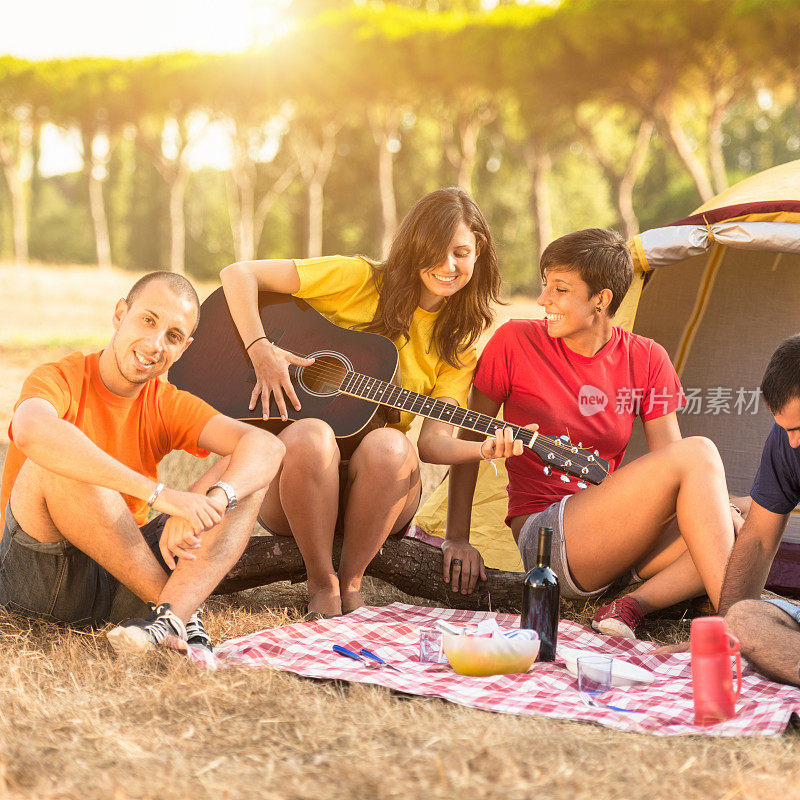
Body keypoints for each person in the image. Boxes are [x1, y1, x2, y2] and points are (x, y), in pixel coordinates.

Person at [220, 187, 519, 619]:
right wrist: (260, 348)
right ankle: (321, 583)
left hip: (380, 493)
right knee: (311, 434)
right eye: (435, 250)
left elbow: (433, 444)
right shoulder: (360, 279)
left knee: (390, 444)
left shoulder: (458, 342)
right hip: (296, 485)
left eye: (460, 253)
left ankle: (352, 581)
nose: (447, 265)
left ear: (479, 254)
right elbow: (238, 273)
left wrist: (482, 448)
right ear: (413, 244)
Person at [445, 228, 739, 637]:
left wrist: (725, 503)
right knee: (701, 453)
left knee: (736, 522)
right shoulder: (515, 341)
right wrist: (456, 537)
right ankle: (741, 630)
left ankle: (629, 607)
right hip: (548, 540)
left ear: (601, 300)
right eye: (545, 284)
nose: (544, 299)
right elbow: (468, 437)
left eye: (560, 289)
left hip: (617, 535)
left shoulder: (646, 357)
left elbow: (674, 471)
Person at [0, 272, 285, 653]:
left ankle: (166, 620)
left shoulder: (165, 402)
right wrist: (160, 496)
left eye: (172, 336)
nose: (154, 344)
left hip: (122, 577)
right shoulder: (59, 377)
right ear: (120, 314)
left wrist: (210, 504)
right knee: (56, 462)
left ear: (184, 348)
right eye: (148, 320)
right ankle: (180, 615)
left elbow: (266, 445)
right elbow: (31, 430)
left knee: (244, 475)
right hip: (42, 578)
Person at [706, 336, 800, 687]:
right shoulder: (785, 441)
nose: (792, 442)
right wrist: (719, 638)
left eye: (797, 429)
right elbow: (759, 537)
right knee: (741, 618)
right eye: (784, 428)